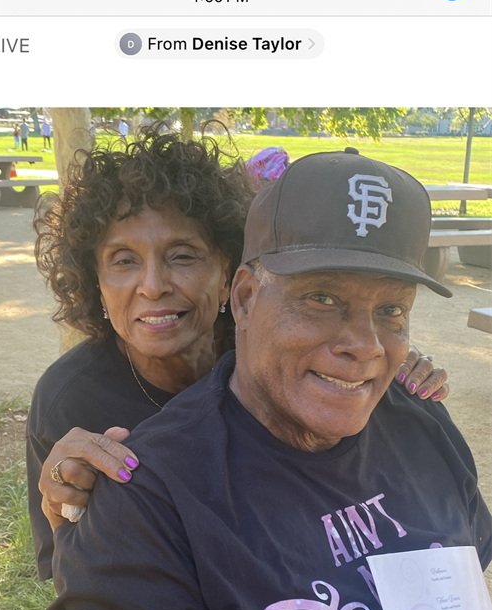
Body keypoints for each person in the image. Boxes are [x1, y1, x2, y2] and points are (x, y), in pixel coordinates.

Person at [51, 149, 491, 610]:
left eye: (390, 311)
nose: (364, 344)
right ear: (247, 297)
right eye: (323, 299)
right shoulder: (149, 496)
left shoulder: (421, 426)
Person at [32, 132, 447, 582]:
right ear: (93, 277)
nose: (153, 285)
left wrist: (373, 363)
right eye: (123, 261)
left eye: (183, 256)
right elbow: (70, 570)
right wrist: (66, 509)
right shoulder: (69, 400)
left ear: (231, 271)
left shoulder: (277, 355)